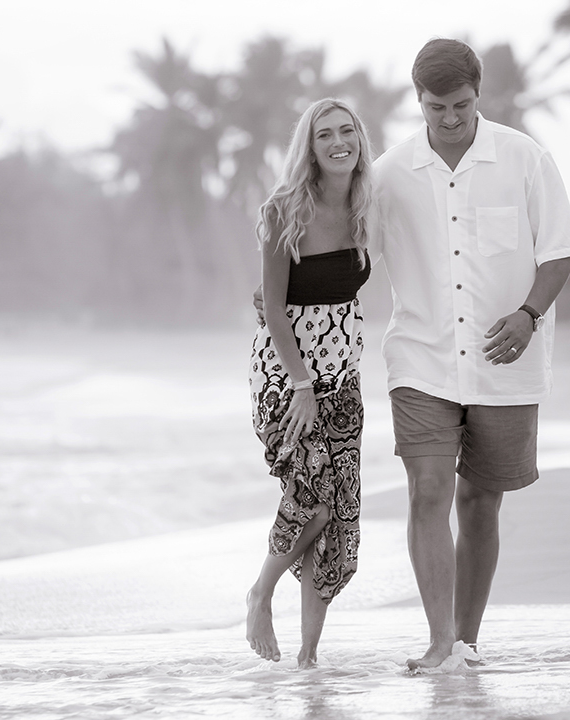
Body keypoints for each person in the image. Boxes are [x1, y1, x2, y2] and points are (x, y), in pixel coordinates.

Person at [374, 38, 570, 670]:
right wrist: (280, 286)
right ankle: (439, 641)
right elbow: (352, 257)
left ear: (479, 94)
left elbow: (560, 250)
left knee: (479, 501)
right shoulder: (389, 174)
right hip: (421, 358)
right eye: (435, 107)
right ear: (419, 100)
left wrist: (529, 314)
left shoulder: (524, 158)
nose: (448, 118)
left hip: (507, 362)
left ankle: (466, 639)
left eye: (460, 105)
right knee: (427, 491)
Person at [245, 98, 375, 669]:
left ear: (360, 140)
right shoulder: (283, 210)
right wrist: (299, 384)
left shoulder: (372, 203)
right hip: (286, 371)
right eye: (326, 134)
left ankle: (308, 660)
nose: (339, 142)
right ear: (311, 146)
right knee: (313, 499)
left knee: (340, 521)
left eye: (348, 131)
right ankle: (259, 594)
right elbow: (273, 307)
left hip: (343, 373)